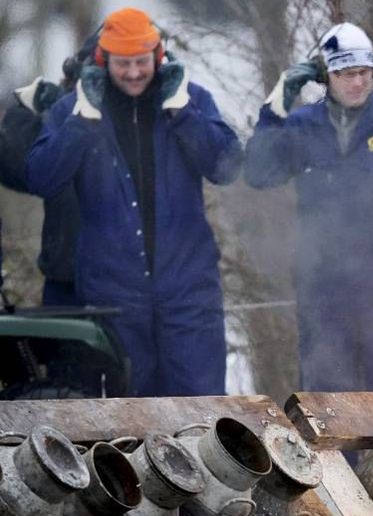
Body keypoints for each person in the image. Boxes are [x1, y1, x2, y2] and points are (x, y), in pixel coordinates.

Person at [26, 7, 242, 396]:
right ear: (103, 60)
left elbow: (227, 167)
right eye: (122, 64)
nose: (133, 73)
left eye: (141, 62)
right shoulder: (72, 109)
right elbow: (42, 177)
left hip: (189, 292)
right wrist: (82, 121)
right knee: (128, 416)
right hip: (113, 299)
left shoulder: (191, 98)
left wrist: (184, 114)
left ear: (158, 57)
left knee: (201, 408)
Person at [244, 23, 373, 392]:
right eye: (345, 74)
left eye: (363, 73)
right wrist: (274, 109)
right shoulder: (301, 126)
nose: (357, 83)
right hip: (322, 290)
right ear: (327, 75)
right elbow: (260, 173)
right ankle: (334, 454)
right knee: (326, 402)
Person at [0, 36, 98, 306]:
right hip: (66, 282)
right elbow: (14, 164)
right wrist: (49, 112)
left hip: (129, 288)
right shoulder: (63, 122)